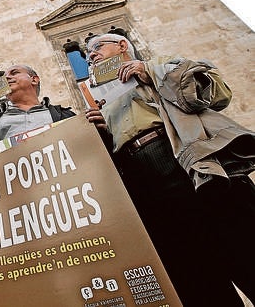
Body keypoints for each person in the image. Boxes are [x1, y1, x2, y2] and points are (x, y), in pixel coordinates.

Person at [84, 33, 255, 306]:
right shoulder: (101, 99)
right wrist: (101, 129)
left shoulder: (161, 63)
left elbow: (219, 93)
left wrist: (149, 72)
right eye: (85, 55)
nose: (89, 56)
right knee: (192, 271)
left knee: (241, 245)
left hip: (185, 160)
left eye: (96, 48)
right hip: (142, 177)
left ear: (122, 45)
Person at [0, 64, 75, 153]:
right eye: (4, 77)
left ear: (34, 79)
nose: (6, 78)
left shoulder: (66, 115)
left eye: (14, 73)